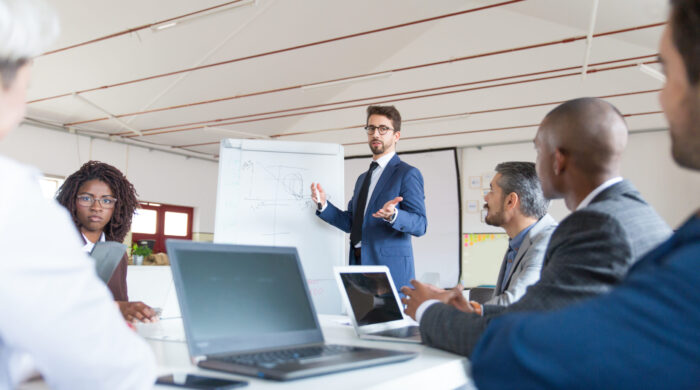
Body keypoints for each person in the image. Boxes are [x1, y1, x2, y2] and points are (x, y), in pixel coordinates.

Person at [470, 2, 700, 388]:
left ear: (558, 160)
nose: (661, 98)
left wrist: (434, 312)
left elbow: (524, 349)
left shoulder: (596, 226)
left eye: (667, 72)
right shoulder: (657, 224)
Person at [402, 97, 672, 357]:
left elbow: (521, 334)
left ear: (558, 159)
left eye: (538, 150)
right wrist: (474, 312)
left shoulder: (595, 226)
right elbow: (537, 311)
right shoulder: (638, 214)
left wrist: (427, 308)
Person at [0, 0, 156, 388]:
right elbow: (110, 367)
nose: (97, 207)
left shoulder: (112, 250)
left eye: (106, 200)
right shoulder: (16, 205)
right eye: (25, 87)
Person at [311, 105, 427, 290]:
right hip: (358, 265)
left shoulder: (407, 174)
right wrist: (323, 205)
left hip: (389, 269)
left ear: (396, 136)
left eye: (383, 129)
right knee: (362, 317)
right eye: (371, 128)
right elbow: (352, 223)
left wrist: (394, 215)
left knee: (389, 319)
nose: (376, 134)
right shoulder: (362, 179)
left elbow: (420, 225)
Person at [56, 161, 158, 323]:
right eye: (86, 198)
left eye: (107, 200)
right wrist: (119, 308)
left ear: (117, 207)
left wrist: (134, 313)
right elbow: (53, 304)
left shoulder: (117, 252)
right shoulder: (57, 247)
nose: (96, 207)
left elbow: (122, 301)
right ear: (71, 202)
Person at [474, 161, 557, 309]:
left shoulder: (548, 240)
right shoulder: (518, 241)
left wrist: (442, 311)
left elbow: (516, 303)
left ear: (511, 201)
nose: (486, 198)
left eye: (492, 190)